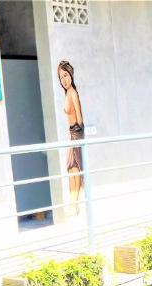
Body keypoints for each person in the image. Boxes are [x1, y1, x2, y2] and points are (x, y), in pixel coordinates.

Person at [57, 60, 85, 207]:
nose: (64, 80)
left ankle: (76, 203)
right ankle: (73, 204)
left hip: (76, 133)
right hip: (71, 134)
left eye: (66, 75)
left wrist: (78, 137)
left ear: (71, 75)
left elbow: (79, 118)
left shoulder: (73, 93)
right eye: (61, 77)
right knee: (71, 169)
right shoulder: (67, 93)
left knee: (76, 168)